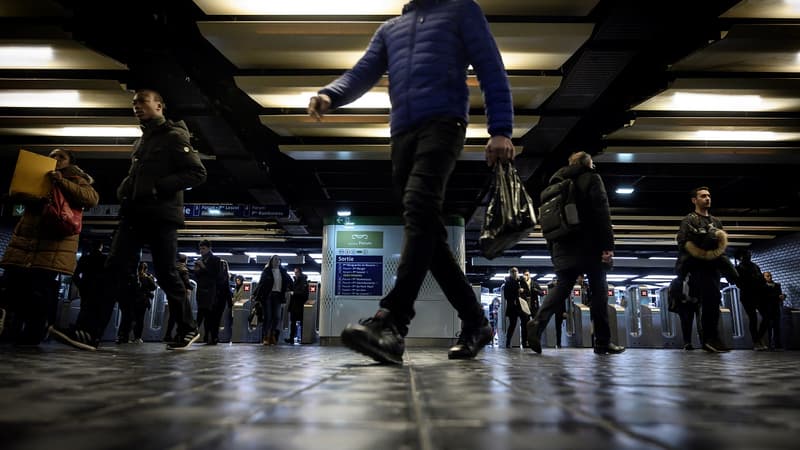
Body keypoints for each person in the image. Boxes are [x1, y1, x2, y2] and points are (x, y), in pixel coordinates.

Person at [308, 0, 514, 364]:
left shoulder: (462, 10)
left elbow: (490, 68)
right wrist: (330, 94)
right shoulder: (390, 29)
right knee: (427, 233)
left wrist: (501, 130)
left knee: (419, 208)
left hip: (445, 124)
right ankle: (476, 322)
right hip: (403, 133)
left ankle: (392, 322)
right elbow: (363, 71)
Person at [50, 88, 207, 351]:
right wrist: (125, 188)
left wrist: (159, 187)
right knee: (113, 269)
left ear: (159, 106)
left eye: (142, 102)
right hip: (134, 214)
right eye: (134, 104)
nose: (136, 107)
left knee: (166, 273)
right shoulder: (142, 142)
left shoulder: (174, 136)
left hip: (161, 216)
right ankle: (88, 332)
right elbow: (137, 176)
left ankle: (188, 327)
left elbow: (197, 172)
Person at [527, 151, 625, 355]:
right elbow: (601, 212)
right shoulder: (591, 178)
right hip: (589, 245)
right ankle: (602, 341)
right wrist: (608, 246)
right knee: (599, 291)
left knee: (562, 287)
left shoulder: (554, 184)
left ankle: (537, 323)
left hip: (562, 245)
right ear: (589, 164)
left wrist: (553, 250)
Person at [0, 148, 99, 346]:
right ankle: (11, 330)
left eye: (61, 156)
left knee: (39, 292)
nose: (55, 159)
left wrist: (60, 181)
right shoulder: (36, 175)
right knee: (13, 289)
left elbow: (91, 199)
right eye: (52, 156)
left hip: (53, 245)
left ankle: (33, 335)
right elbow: (14, 195)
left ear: (70, 162)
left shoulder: (76, 178)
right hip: (25, 242)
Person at [674, 186, 738, 353]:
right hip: (697, 268)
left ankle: (712, 338)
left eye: (709, 196)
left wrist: (730, 271)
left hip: (713, 267)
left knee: (714, 301)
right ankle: (709, 339)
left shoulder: (716, 222)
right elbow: (683, 245)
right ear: (694, 200)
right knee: (708, 301)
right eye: (703, 196)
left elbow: (721, 247)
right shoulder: (689, 220)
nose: (707, 198)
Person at [253, 255, 292, 345]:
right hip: (268, 296)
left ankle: (272, 334)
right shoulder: (266, 271)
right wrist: (255, 295)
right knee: (268, 316)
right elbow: (261, 284)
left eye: (278, 259)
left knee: (277, 317)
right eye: (275, 260)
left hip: (278, 296)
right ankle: (266, 336)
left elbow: (290, 282)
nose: (277, 261)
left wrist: (289, 288)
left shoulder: (283, 272)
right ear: (271, 261)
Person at [733, 248, 767, 350]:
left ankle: (759, 338)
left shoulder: (755, 266)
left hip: (759, 295)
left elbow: (761, 278)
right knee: (753, 319)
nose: (749, 255)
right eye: (747, 254)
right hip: (747, 296)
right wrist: (752, 283)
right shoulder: (738, 268)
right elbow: (738, 283)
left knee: (766, 317)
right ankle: (756, 342)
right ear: (742, 257)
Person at [72, 240, 107, 333]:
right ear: (101, 247)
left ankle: (79, 329)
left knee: (84, 308)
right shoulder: (104, 259)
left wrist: (80, 285)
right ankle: (92, 332)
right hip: (99, 288)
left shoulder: (84, 258)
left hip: (85, 286)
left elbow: (75, 275)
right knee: (97, 311)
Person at [193, 239, 221, 344]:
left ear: (209, 248)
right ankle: (207, 337)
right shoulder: (200, 259)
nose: (201, 250)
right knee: (203, 313)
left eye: (203, 248)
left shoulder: (215, 260)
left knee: (209, 314)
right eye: (200, 248)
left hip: (210, 291)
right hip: (201, 290)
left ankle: (209, 336)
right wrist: (196, 270)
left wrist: (203, 267)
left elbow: (215, 275)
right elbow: (198, 276)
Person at [130, 262, 156, 343]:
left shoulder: (135, 276)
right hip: (143, 301)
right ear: (146, 269)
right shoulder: (147, 277)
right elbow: (153, 287)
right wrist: (150, 278)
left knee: (132, 318)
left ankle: (125, 336)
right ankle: (138, 337)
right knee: (140, 320)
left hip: (134, 300)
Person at [503, 267, 529, 348]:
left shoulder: (521, 281)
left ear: (518, 272)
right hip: (513, 306)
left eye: (515, 271)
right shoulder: (508, 283)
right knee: (512, 325)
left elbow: (528, 291)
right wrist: (516, 293)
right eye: (512, 272)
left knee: (525, 324)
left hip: (521, 306)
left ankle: (524, 342)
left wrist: (523, 290)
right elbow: (506, 296)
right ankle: (508, 342)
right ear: (510, 273)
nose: (514, 273)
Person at [759, 272, 784, 351]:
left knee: (777, 327)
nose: (769, 277)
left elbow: (779, 295)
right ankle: (769, 345)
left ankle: (777, 345)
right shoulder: (762, 286)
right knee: (768, 327)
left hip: (776, 308)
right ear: (764, 277)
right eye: (767, 276)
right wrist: (777, 297)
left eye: (770, 276)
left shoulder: (777, 285)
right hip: (767, 309)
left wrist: (782, 297)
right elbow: (765, 297)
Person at [285, 267, 310, 344]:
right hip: (294, 305)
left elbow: (304, 294)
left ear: (299, 272)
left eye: (296, 272)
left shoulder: (303, 281)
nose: (295, 274)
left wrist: (294, 293)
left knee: (299, 322)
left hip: (299, 305)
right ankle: (292, 338)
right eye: (294, 272)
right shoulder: (296, 281)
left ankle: (301, 338)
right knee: (293, 322)